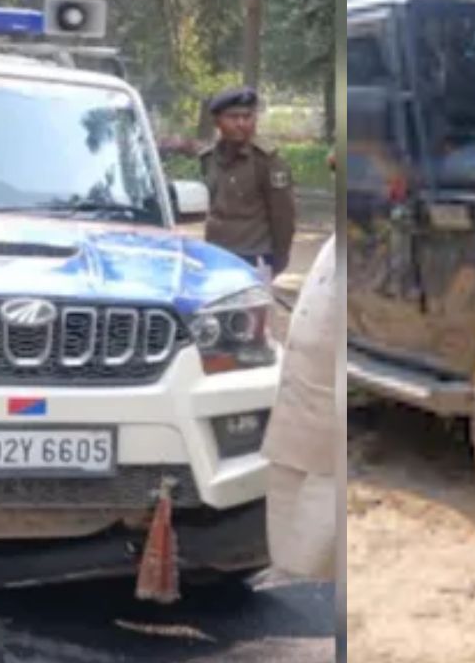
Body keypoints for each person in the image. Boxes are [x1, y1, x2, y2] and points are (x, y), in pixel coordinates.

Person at [260, 150, 337, 581]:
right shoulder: (333, 244)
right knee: (286, 493)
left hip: (329, 431)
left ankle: (303, 586)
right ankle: (286, 575)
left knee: (315, 545)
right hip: (297, 414)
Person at [198, 86, 296, 280]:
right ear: (217, 121)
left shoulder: (267, 161)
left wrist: (279, 257)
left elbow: (283, 215)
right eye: (233, 117)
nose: (241, 123)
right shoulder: (208, 158)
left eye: (247, 117)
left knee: (252, 310)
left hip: (255, 255)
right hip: (216, 253)